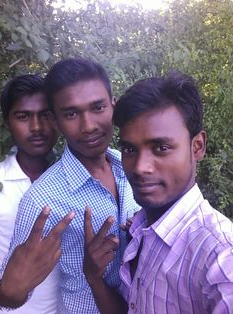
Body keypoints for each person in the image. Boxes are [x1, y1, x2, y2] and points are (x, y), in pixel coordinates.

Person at [0, 58, 139, 313]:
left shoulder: (128, 165)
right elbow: (12, 292)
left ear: (113, 106)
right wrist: (10, 291)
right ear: (56, 120)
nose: (88, 126)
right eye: (71, 114)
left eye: (98, 108)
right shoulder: (42, 200)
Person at [83, 72, 233, 313]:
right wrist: (94, 277)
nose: (140, 167)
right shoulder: (142, 230)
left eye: (161, 148)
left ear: (197, 146)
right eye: (130, 149)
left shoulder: (220, 257)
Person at [0, 74, 61, 313]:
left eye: (45, 115)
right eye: (23, 116)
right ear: (6, 122)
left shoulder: (75, 179)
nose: (36, 127)